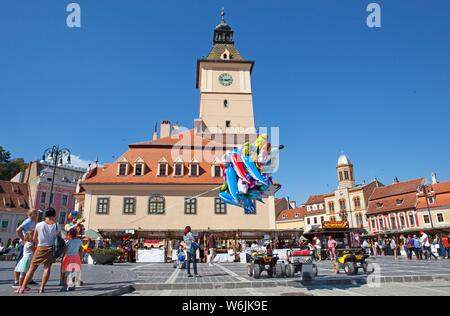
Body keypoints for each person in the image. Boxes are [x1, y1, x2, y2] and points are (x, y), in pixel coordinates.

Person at [18, 208, 61, 294]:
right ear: (53, 215)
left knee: (32, 268)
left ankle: (22, 288)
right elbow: (59, 238)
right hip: (50, 248)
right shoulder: (57, 226)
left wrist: (40, 241)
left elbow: (34, 238)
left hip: (40, 248)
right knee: (47, 268)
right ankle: (42, 288)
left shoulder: (39, 225)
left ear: (45, 215)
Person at [13, 209, 38, 288]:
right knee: (20, 262)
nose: (37, 214)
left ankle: (29, 279)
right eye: (35, 213)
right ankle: (16, 281)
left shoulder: (33, 221)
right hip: (25, 244)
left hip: (29, 243)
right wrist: (23, 240)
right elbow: (18, 230)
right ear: (30, 214)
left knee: (28, 263)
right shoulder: (28, 221)